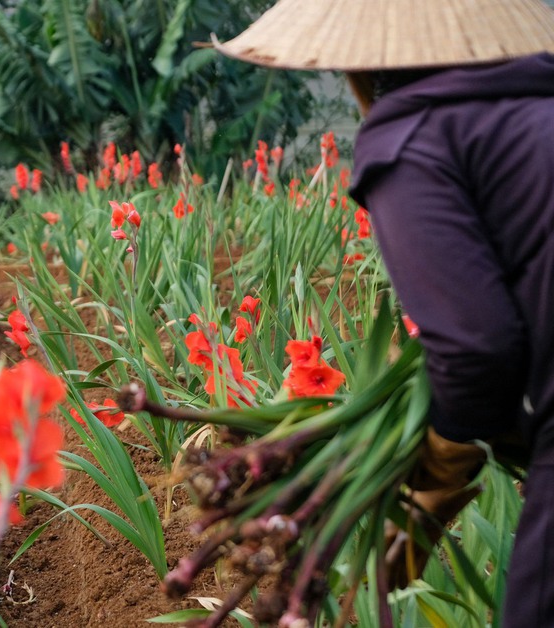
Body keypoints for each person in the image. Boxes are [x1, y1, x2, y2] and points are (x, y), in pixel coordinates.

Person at [216, 0, 554, 623]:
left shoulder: (414, 137)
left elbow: (476, 348)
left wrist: (436, 475)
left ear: (358, 65)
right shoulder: (533, 108)